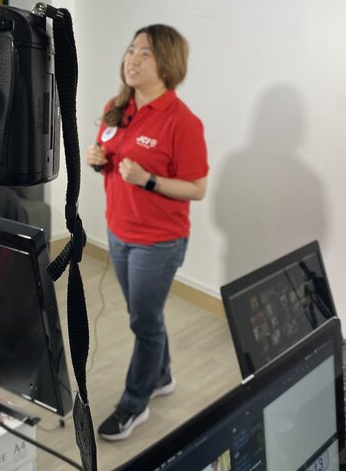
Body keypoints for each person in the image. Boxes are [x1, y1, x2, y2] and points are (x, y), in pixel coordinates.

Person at [86, 24, 208, 441]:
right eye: (131, 50)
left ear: (167, 64)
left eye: (145, 53)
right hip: (119, 231)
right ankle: (163, 375)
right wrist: (98, 160)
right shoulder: (117, 106)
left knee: (144, 322)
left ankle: (134, 403)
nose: (132, 60)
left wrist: (148, 180)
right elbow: (112, 159)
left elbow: (197, 188)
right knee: (145, 316)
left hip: (158, 242)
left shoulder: (182, 122)